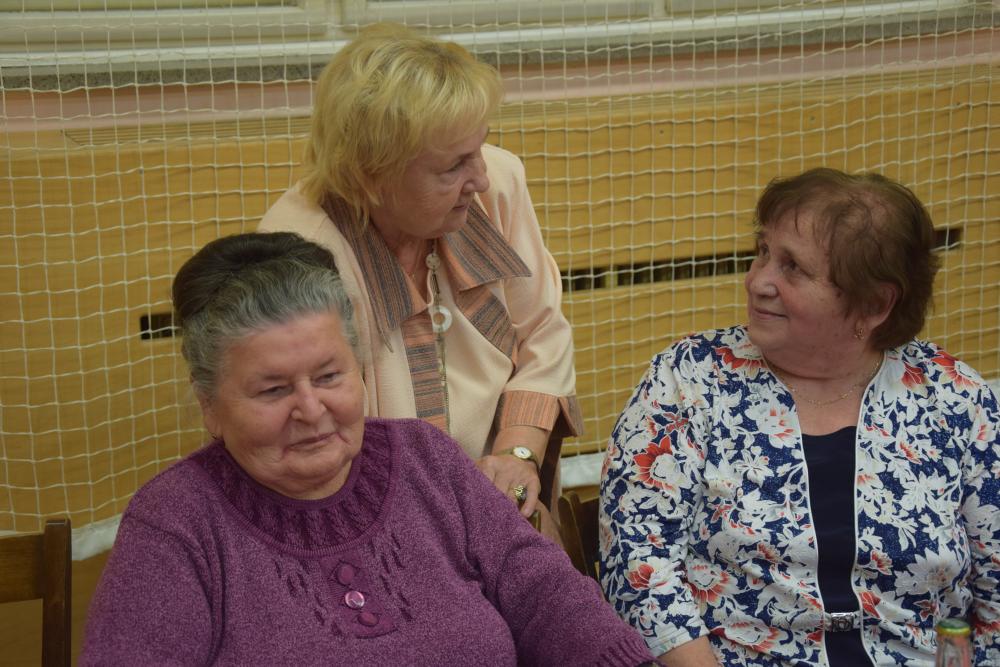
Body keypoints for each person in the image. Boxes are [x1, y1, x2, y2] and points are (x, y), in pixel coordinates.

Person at [80, 232, 654, 666]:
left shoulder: (428, 460)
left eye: (329, 376)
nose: (311, 409)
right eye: (273, 390)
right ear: (210, 405)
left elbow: (550, 599)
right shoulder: (176, 524)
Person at [600, 168, 1000, 666]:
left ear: (874, 304)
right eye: (763, 252)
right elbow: (639, 566)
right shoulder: (691, 378)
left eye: (792, 267)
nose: (756, 280)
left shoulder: (954, 398)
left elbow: (995, 589)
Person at [258, 23, 579, 524]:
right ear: (372, 175)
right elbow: (318, 434)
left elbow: (542, 333)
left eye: (480, 147)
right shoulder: (302, 252)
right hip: (375, 514)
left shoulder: (499, 185)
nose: (481, 178)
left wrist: (516, 455)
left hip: (503, 495)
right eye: (453, 166)